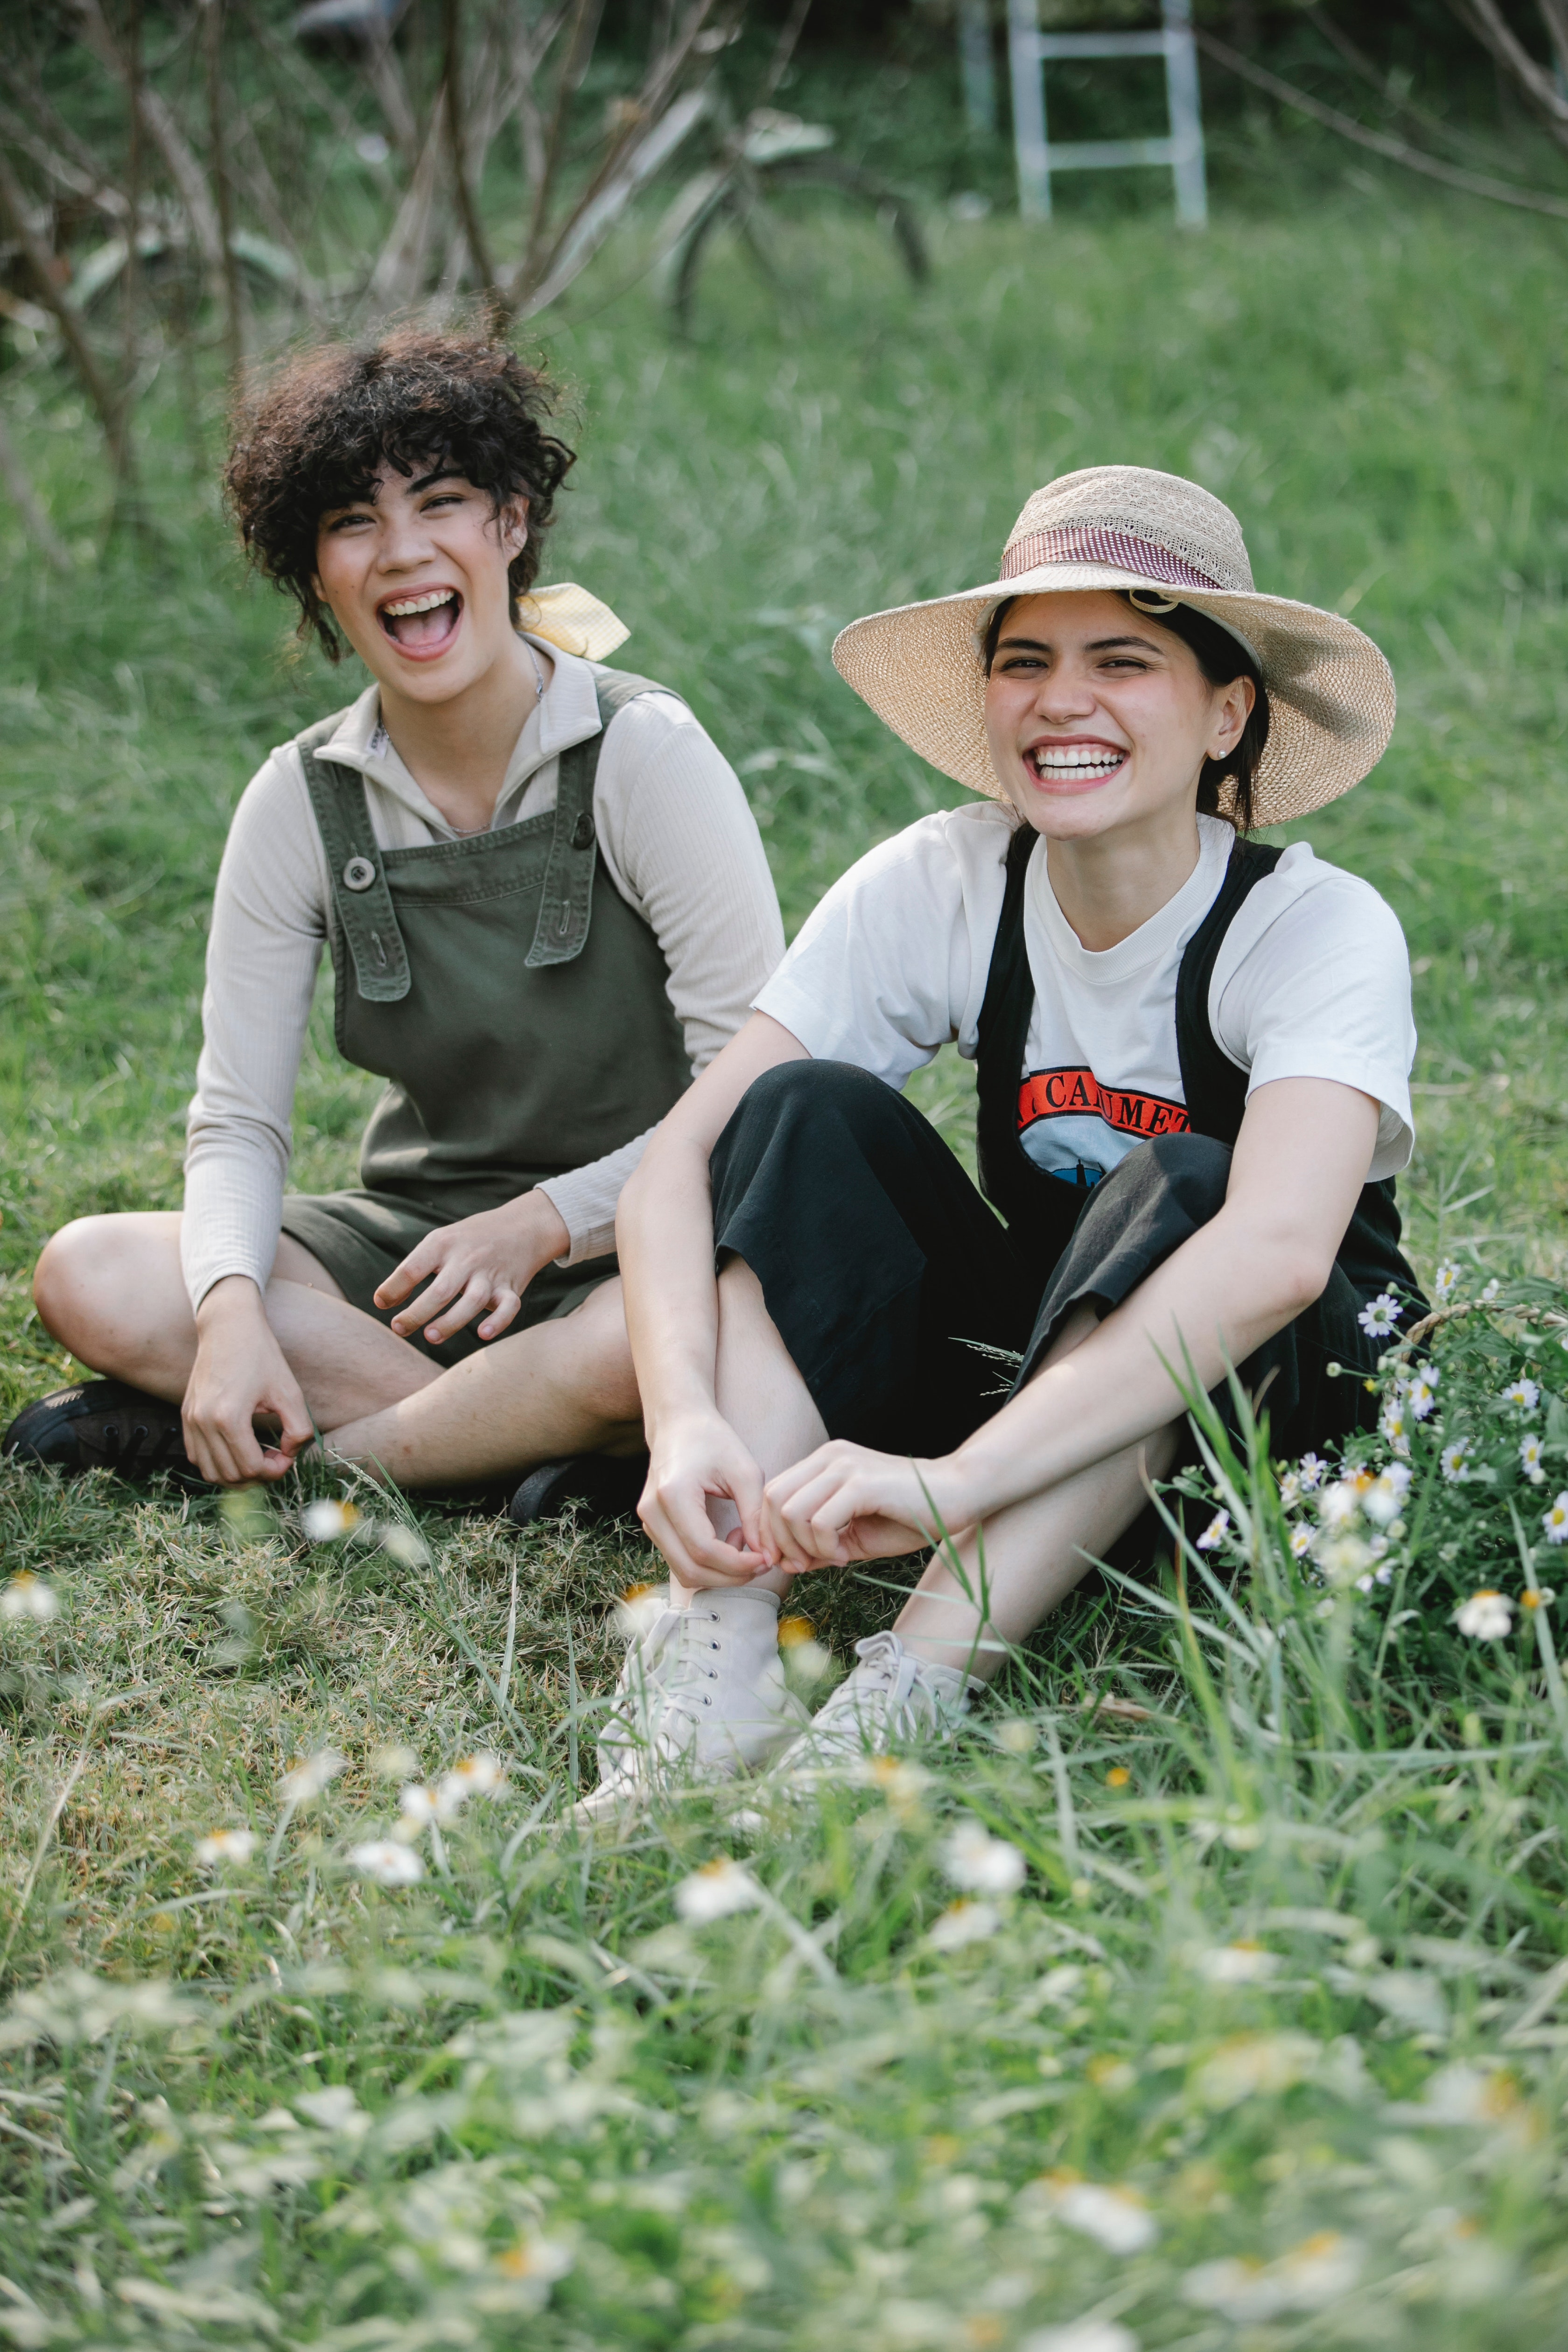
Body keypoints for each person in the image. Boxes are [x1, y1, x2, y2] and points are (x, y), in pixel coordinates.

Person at [589, 463, 1422, 1813]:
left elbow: (1275, 1258)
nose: (1062, 700)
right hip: (1047, 1398)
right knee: (799, 1113)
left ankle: (898, 1698)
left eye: (1123, 660)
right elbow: (680, 1162)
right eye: (1025, 660)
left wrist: (952, 1483)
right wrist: (681, 1425)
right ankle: (720, 1652)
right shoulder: (948, 881)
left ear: (1227, 713)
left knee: (1194, 1184)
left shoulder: (1314, 927)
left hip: (1274, 1430)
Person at [4, 329, 784, 1508]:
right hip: (410, 1248)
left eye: (443, 503)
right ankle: (523, 1449)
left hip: (639, 1233)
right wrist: (224, 1317)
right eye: (354, 522)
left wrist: (543, 1224)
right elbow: (237, 1124)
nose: (403, 554)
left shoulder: (641, 754)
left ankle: (327, 1460)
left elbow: (753, 1097)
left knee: (667, 1338)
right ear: (314, 570)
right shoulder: (299, 798)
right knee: (95, 1273)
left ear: (513, 525)